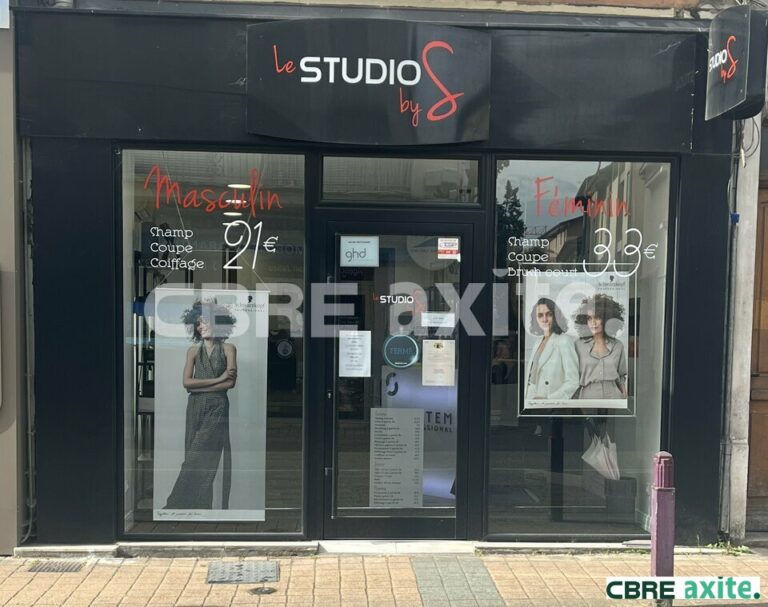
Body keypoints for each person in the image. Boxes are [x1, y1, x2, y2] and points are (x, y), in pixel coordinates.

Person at [164, 301, 238, 510]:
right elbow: (186, 383)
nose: (201, 326)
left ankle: (173, 506)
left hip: (217, 408)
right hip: (195, 407)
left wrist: (200, 386)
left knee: (198, 457)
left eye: (205, 321)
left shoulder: (229, 348)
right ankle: (199, 508)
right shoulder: (193, 351)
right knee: (193, 455)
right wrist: (219, 379)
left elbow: (230, 384)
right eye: (198, 323)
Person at [573, 293, 627, 400]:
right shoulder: (578, 345)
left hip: (614, 398)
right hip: (587, 398)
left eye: (597, 317)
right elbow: (573, 378)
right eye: (589, 318)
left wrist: (623, 395)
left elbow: (622, 376)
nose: (593, 322)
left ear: (607, 319)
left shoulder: (618, 346)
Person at [525, 297, 579, 402]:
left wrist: (549, 399)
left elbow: (573, 381)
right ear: (536, 319)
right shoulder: (538, 342)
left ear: (555, 316)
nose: (544, 319)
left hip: (550, 403)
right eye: (540, 315)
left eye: (549, 314)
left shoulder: (564, 340)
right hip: (532, 399)